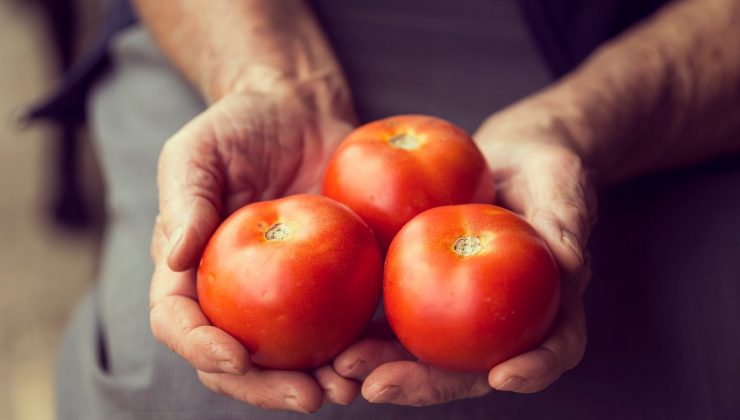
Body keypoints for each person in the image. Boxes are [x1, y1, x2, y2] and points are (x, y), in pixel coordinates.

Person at [51, 0, 740, 419]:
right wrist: (269, 77)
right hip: (258, 23)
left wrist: (573, 127)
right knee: (163, 392)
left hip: (637, 36)